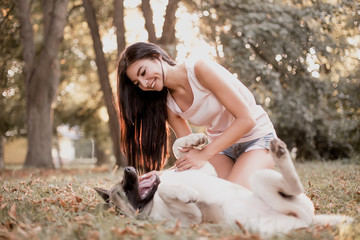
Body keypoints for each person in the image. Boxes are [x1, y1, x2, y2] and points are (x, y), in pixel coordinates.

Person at [117, 42, 277, 188]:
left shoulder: (199, 69)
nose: (144, 83)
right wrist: (162, 174)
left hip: (257, 138)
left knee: (234, 196)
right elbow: (191, 155)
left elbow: (246, 119)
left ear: (155, 56)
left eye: (143, 72)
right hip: (222, 150)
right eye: (137, 83)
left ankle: (268, 178)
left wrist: (205, 154)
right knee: (207, 193)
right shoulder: (168, 104)